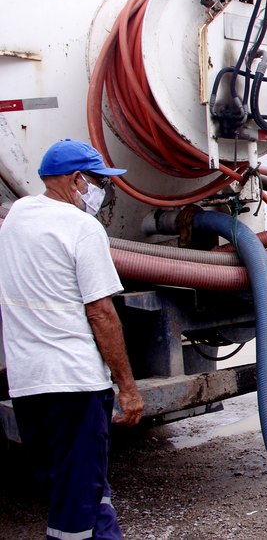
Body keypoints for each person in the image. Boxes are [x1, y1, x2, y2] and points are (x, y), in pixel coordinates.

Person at [0, 139, 144, 540]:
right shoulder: (83, 227)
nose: (100, 191)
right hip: (76, 385)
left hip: (28, 385)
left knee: (79, 487)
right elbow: (101, 312)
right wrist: (128, 389)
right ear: (77, 180)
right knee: (74, 510)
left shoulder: (16, 217)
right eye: (98, 182)